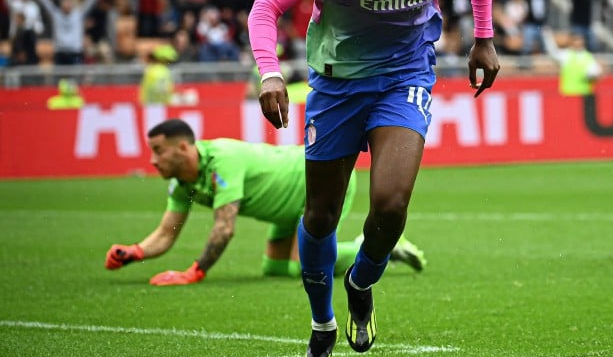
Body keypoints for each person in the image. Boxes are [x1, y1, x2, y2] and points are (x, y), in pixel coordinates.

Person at [247, 0, 500, 357]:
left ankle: (360, 281)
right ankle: (321, 322)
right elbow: (265, 7)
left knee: (389, 206)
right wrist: (270, 74)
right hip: (337, 85)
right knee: (320, 216)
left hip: (405, 76)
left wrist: (484, 35)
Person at [104, 119, 426, 285]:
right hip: (286, 207)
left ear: (185, 148)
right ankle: (366, 248)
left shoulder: (221, 161)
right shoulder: (183, 185)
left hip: (315, 182)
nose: (152, 160)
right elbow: (167, 232)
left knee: (307, 267)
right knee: (273, 270)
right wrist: (134, 252)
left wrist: (195, 272)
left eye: (159, 151)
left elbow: (224, 228)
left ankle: (376, 247)